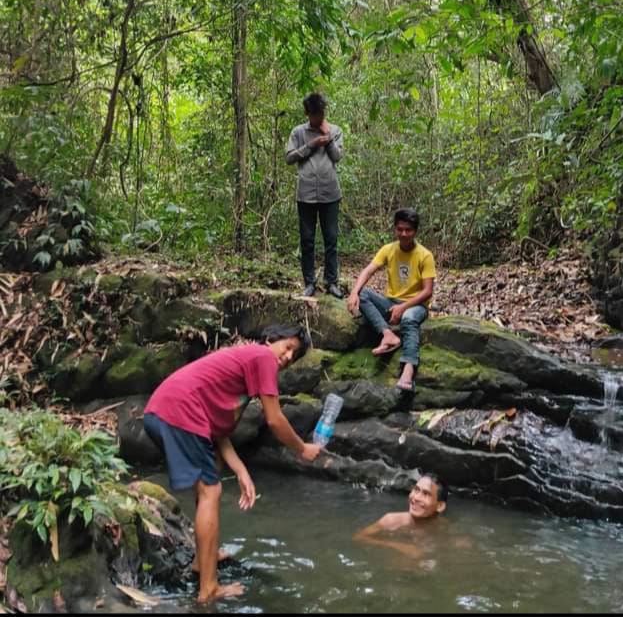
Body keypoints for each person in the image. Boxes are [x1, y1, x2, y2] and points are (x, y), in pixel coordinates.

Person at [143, 324, 322, 605]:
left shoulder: (246, 365)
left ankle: (205, 560)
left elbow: (218, 433)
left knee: (208, 482)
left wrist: (241, 471)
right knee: (210, 492)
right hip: (177, 412)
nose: (288, 357)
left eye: (294, 355)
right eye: (287, 347)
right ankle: (208, 589)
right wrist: (302, 448)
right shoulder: (262, 357)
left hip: (166, 412)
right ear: (270, 340)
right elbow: (275, 419)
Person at [347, 207, 435, 392]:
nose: (403, 234)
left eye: (408, 230)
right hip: (390, 302)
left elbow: (427, 291)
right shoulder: (389, 249)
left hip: (416, 305)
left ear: (415, 231)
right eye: (400, 229)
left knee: (408, 319)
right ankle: (388, 335)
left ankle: (408, 370)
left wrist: (402, 308)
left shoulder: (425, 255)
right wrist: (354, 292)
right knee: (364, 294)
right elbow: (369, 270)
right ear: (395, 229)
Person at [285, 92, 344, 299]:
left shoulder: (335, 130)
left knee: (331, 239)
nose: (318, 118)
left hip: (330, 193)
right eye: (314, 114)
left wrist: (327, 140)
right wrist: (311, 145)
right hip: (306, 194)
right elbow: (289, 158)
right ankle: (309, 282)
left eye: (321, 113)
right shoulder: (298, 132)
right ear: (307, 114)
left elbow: (337, 157)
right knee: (307, 240)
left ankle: (332, 282)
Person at [354, 474, 448, 559]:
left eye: (425, 494)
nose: (416, 498)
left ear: (440, 506)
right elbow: (359, 537)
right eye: (416, 490)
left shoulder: (442, 525)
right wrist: (398, 546)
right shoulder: (391, 520)